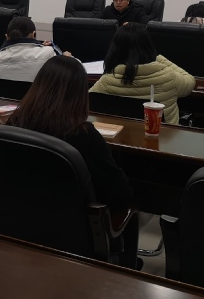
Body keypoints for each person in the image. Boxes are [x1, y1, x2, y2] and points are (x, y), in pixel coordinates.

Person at [8, 55, 133, 209]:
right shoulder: (85, 135)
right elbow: (120, 195)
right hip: (72, 219)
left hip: (20, 213)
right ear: (80, 94)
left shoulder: (14, 123)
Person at [89, 24, 194, 125]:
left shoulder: (106, 80)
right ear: (148, 46)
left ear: (114, 50)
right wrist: (158, 58)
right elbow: (190, 81)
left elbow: (88, 100)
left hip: (120, 135)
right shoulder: (169, 77)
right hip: (162, 136)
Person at [0, 17, 65, 82]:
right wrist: (66, 57)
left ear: (7, 37)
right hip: (35, 97)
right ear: (34, 34)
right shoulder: (48, 53)